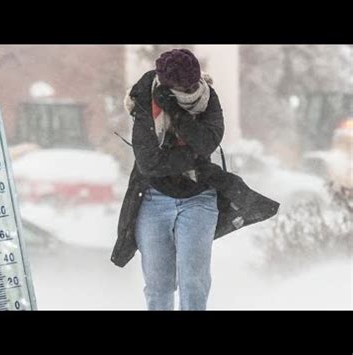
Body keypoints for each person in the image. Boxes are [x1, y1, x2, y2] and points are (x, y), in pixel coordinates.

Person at [111, 48, 280, 311]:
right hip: (153, 199)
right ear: (166, 83)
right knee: (158, 286)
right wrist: (196, 161)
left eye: (191, 85)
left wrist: (177, 115)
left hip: (199, 200)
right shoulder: (145, 97)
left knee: (194, 283)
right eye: (181, 87)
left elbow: (207, 141)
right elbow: (149, 162)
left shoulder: (208, 98)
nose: (188, 92)